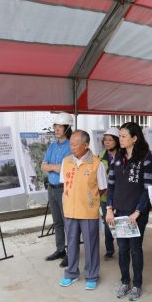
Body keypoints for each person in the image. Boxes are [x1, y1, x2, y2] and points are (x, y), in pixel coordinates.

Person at [106, 122, 152, 301]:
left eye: (123, 136)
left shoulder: (146, 158)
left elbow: (148, 188)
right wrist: (109, 208)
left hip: (136, 214)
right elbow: (111, 186)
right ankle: (125, 282)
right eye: (119, 136)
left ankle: (137, 284)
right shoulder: (117, 158)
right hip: (118, 211)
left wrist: (138, 211)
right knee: (123, 248)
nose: (120, 139)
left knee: (135, 249)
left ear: (134, 138)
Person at [58, 130, 107, 289]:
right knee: (71, 243)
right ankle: (71, 273)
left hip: (88, 212)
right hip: (70, 211)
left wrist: (89, 199)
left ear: (85, 145)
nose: (71, 147)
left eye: (75, 144)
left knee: (91, 245)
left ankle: (92, 275)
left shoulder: (96, 163)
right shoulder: (66, 162)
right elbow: (64, 184)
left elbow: (102, 188)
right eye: (70, 144)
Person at [42, 112, 73, 268]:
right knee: (57, 222)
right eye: (56, 126)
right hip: (51, 189)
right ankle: (60, 249)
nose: (57, 129)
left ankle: (71, 253)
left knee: (68, 223)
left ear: (67, 128)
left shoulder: (71, 146)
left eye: (60, 127)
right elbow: (43, 166)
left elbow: (66, 169)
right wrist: (56, 167)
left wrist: (53, 167)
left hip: (64, 189)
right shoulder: (52, 146)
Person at [99, 127, 120, 260]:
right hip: (105, 196)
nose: (107, 142)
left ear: (116, 141)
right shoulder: (100, 156)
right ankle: (109, 249)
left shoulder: (124, 155)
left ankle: (123, 247)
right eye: (105, 140)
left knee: (121, 222)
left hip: (121, 196)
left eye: (110, 140)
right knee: (108, 223)